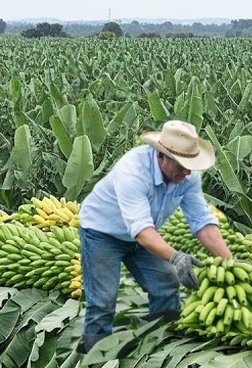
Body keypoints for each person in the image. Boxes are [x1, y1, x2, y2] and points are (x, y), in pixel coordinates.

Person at [77, 120, 233, 353]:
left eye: (190, 165)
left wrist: (230, 261)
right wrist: (176, 256)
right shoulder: (132, 172)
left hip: (145, 234)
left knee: (167, 283)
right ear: (161, 157)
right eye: (181, 165)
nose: (187, 171)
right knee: (103, 300)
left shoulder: (187, 177)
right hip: (102, 233)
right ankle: (93, 362)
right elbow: (140, 231)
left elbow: (201, 221)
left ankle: (155, 347)